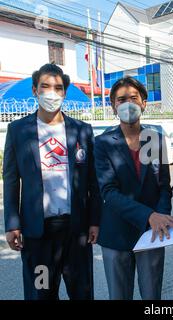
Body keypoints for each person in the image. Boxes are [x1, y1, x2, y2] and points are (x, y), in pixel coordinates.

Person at [3, 63, 101, 300]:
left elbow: (92, 182)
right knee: (42, 292)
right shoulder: (18, 130)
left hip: (76, 231)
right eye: (45, 86)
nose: (51, 93)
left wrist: (94, 221)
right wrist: (12, 223)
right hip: (38, 235)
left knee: (82, 292)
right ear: (35, 90)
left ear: (65, 93)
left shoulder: (82, 130)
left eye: (58, 88)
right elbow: (11, 180)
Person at [94, 76, 173, 300]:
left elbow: (164, 186)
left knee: (152, 295)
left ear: (144, 103)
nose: (127, 103)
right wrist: (150, 215)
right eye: (121, 99)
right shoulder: (102, 143)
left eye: (133, 98)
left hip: (153, 233)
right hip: (116, 234)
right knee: (119, 296)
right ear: (113, 106)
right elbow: (108, 191)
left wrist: (163, 216)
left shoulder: (156, 139)